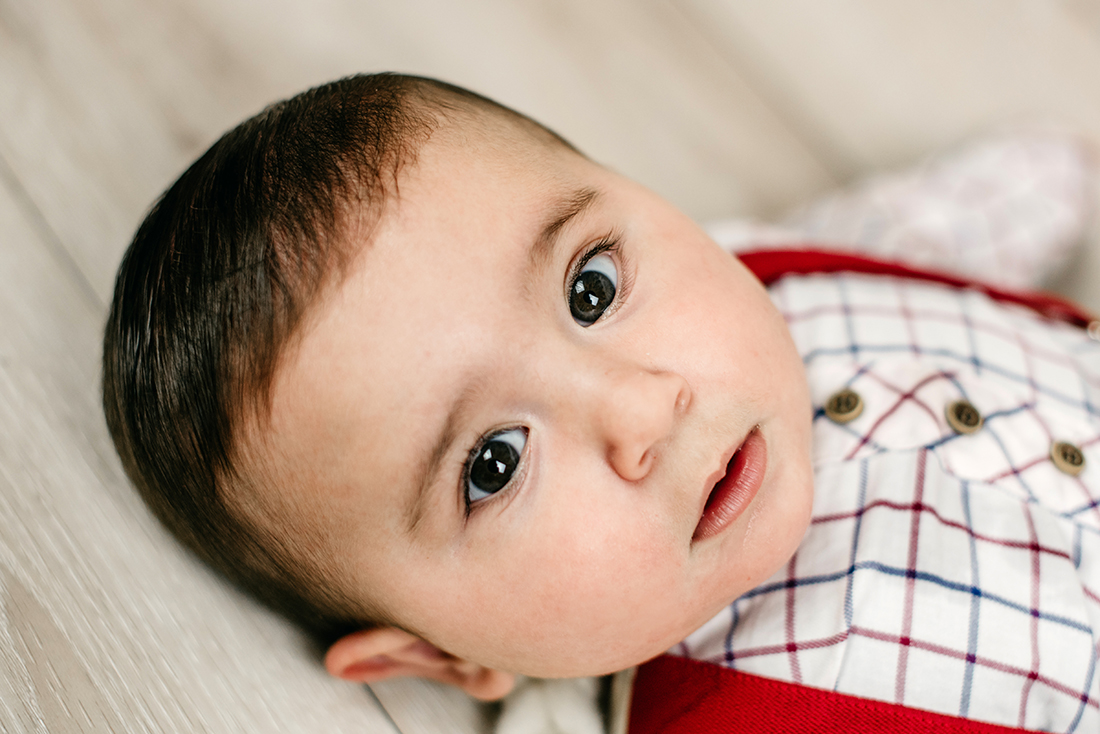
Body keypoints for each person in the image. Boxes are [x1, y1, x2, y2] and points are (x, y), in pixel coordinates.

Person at [102, 73, 1099, 732]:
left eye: (590, 288)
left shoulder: (749, 270)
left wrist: (1046, 177)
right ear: (443, 655)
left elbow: (905, 231)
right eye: (492, 461)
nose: (639, 408)